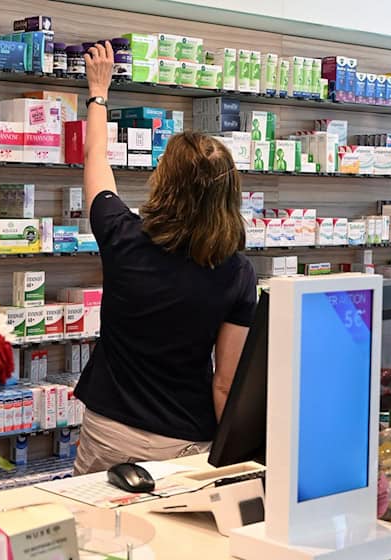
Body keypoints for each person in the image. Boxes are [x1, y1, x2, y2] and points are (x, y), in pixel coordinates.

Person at [72, 41, 257, 475]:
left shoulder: (123, 236)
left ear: (162, 183)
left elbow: (95, 157)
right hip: (185, 440)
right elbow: (225, 382)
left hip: (109, 432)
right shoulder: (236, 272)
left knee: (95, 535)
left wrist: (99, 92)